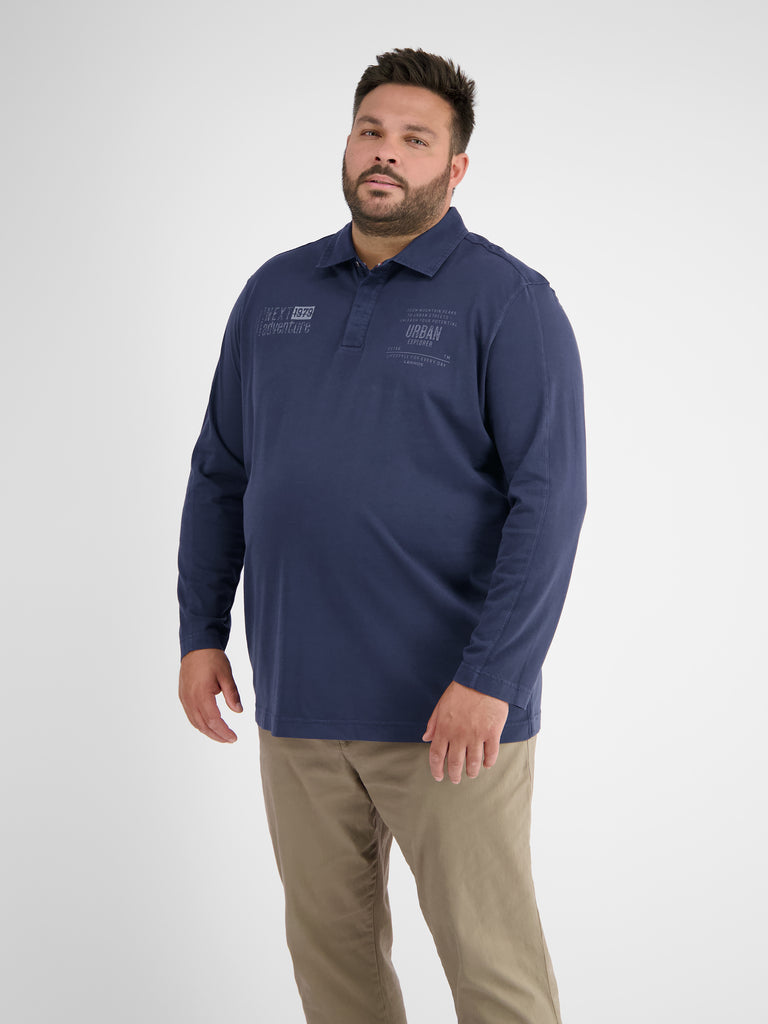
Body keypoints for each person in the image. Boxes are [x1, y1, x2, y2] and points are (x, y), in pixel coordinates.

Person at [178, 47, 587, 1024]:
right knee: (334, 972)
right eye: (372, 130)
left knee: (494, 976)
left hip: (452, 716)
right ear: (349, 142)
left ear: (455, 167)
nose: (386, 153)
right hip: (298, 705)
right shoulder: (273, 293)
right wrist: (201, 631)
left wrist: (492, 677)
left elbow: (550, 503)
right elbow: (221, 472)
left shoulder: (508, 301)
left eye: (415, 139)